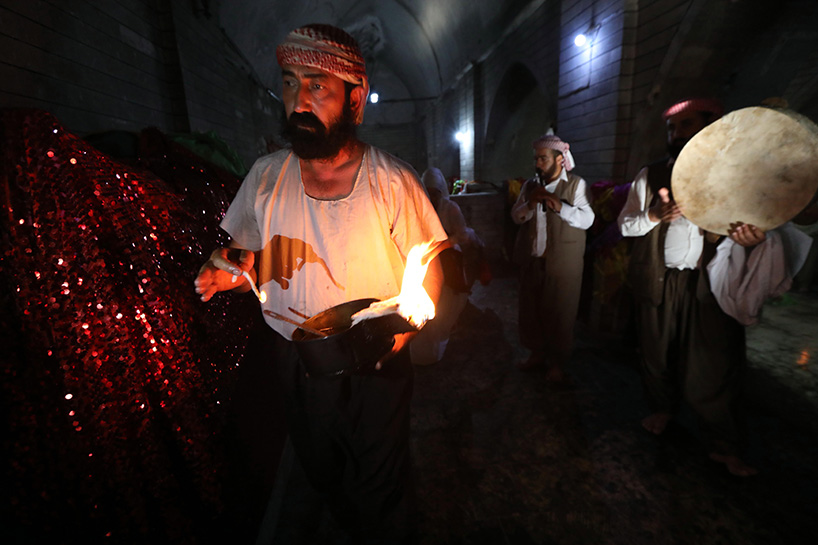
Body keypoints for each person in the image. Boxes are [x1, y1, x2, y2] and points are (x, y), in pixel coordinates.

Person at [194, 23, 447, 543]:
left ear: (354, 98)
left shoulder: (392, 180)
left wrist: (398, 339)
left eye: (317, 85)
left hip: (377, 358)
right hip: (297, 359)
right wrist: (226, 271)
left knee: (382, 477)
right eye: (290, 83)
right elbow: (248, 264)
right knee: (320, 466)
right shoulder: (265, 177)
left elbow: (431, 271)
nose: (299, 101)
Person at [617, 97, 765, 477]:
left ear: (709, 128)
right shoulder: (650, 175)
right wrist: (654, 214)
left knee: (713, 364)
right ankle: (663, 409)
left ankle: (723, 444)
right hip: (659, 279)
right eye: (672, 128)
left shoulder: (735, 177)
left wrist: (752, 239)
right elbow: (626, 225)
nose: (676, 134)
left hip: (708, 285)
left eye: (686, 125)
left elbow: (755, 229)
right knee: (656, 354)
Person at [511, 135, 595, 382]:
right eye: (536, 159)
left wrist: (561, 207)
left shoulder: (576, 185)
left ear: (560, 159)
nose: (538, 164)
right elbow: (516, 216)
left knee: (560, 313)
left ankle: (557, 362)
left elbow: (588, 219)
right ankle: (536, 354)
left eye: (543, 159)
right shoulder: (530, 186)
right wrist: (529, 205)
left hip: (564, 264)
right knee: (531, 311)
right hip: (533, 261)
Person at [409, 167, 482, 365]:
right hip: (428, 260)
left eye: (435, 193)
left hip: (448, 259)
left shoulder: (450, 209)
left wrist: (441, 245)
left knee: (447, 305)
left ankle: (439, 343)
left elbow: (462, 235)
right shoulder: (420, 208)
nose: (432, 197)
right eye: (428, 192)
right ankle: (424, 348)